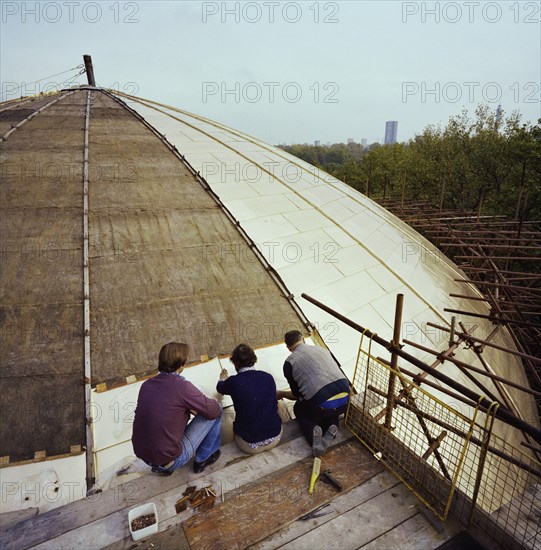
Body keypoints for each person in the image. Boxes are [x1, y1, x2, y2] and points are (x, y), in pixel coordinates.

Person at [132, 342, 222, 475]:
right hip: (170, 460)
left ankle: (162, 466)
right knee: (217, 410)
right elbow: (212, 410)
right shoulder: (181, 386)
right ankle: (203, 458)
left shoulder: (146, 385)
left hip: (145, 458)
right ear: (181, 365)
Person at [277, 330, 349, 456]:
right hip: (345, 399)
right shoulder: (323, 350)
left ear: (288, 348)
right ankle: (332, 426)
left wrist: (282, 394)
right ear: (303, 339)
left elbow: (298, 395)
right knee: (331, 405)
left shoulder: (289, 363)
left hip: (321, 405)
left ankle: (313, 433)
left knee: (299, 408)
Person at [217, 344, 282, 454]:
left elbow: (220, 388)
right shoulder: (268, 377)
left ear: (235, 363)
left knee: (227, 419)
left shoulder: (233, 382)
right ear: (254, 359)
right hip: (275, 437)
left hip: (248, 444)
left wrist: (222, 379)